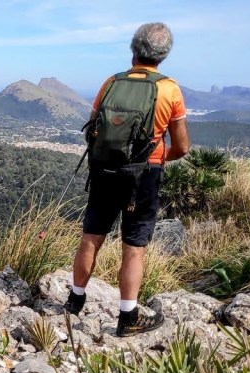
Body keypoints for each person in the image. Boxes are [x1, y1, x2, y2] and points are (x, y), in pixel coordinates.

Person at [64, 22, 190, 337]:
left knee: (92, 236)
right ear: (164, 55)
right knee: (134, 247)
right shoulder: (169, 89)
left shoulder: (111, 83)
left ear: (133, 49)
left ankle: (74, 300)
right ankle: (127, 317)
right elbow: (182, 147)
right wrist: (157, 159)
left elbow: (94, 129)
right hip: (143, 176)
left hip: (104, 171)